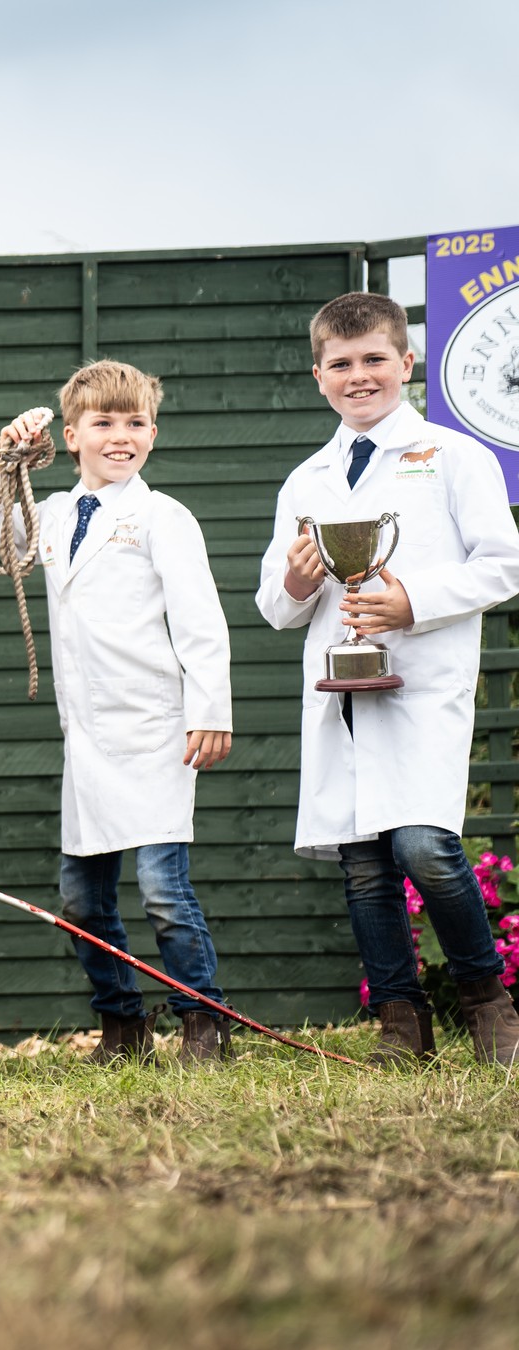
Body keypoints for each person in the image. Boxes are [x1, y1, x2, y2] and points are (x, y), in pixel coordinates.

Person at [256, 291, 519, 1067]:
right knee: (364, 864)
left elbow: (502, 563)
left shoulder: (453, 456)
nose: (359, 375)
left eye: (374, 358)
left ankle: (487, 1001)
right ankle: (401, 1022)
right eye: (341, 363)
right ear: (318, 375)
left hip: (422, 683)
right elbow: (275, 606)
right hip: (340, 693)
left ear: (406, 362)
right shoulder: (307, 479)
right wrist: (299, 580)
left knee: (425, 844)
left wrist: (414, 603)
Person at [0, 362, 236, 1062]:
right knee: (82, 898)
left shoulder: (163, 517)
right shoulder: (52, 514)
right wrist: (1, 459)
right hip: (87, 737)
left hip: (156, 730)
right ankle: (122, 1023)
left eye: (135, 423)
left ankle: (203, 1022)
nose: (121, 436)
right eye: (104, 423)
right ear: (72, 435)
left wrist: (210, 707)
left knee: (164, 890)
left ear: (153, 433)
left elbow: (201, 621)